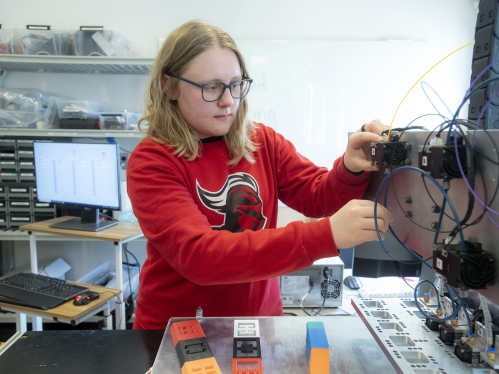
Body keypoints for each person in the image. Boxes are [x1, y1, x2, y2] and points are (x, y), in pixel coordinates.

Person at [127, 20, 392, 330]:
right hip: (180, 331)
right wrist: (326, 235)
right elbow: (200, 257)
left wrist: (349, 167)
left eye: (236, 84)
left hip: (260, 324)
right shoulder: (152, 161)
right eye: (212, 87)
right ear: (169, 86)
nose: (229, 101)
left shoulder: (260, 141)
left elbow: (318, 196)